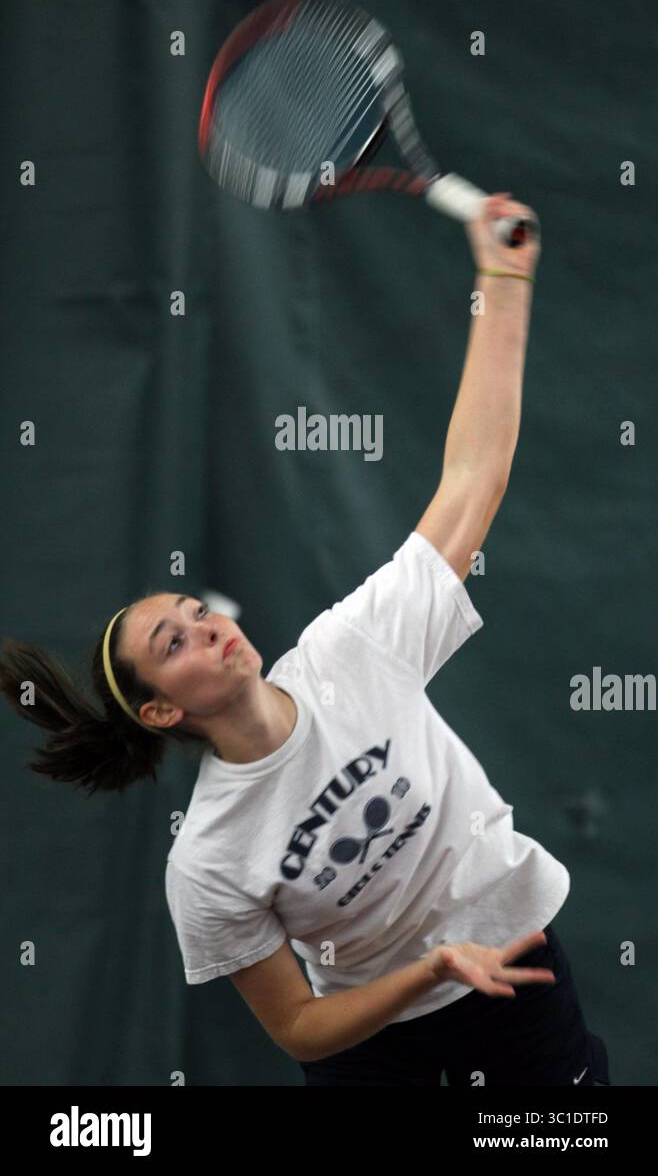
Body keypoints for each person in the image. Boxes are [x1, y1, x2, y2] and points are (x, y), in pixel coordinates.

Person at [0, 194, 610, 1087]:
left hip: (514, 964)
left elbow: (473, 477)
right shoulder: (207, 861)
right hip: (378, 1040)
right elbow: (299, 1029)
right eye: (175, 643)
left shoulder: (350, 650)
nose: (207, 628)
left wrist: (504, 281)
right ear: (164, 707)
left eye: (194, 610)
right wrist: (429, 972)